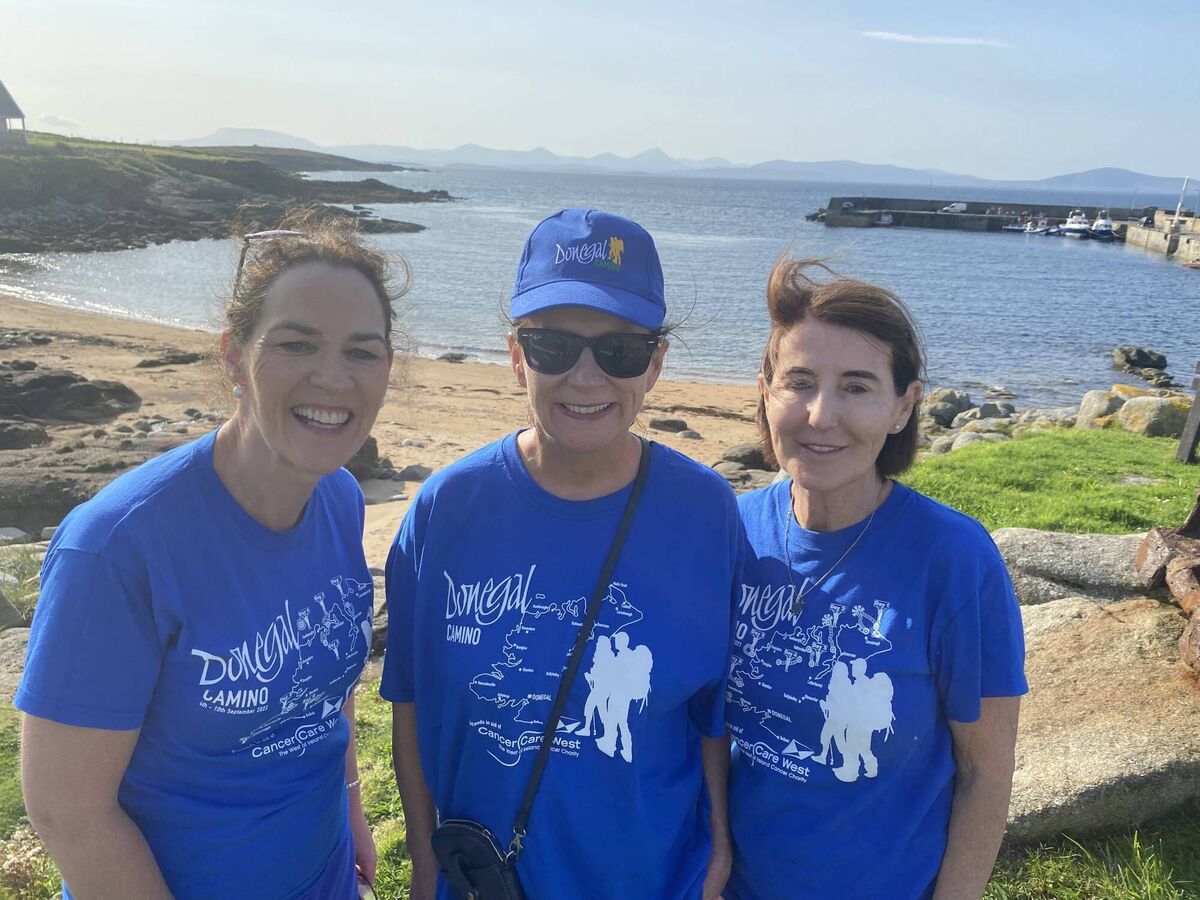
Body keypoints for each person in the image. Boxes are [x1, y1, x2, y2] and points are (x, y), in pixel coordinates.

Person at [15, 214, 402, 899]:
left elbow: (322, 689)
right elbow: (67, 812)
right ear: (234, 356)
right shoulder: (118, 547)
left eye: (362, 352)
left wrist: (352, 813)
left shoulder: (340, 497)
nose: (333, 377)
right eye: (297, 344)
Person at [381, 208, 740, 899]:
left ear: (655, 365)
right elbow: (409, 703)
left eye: (620, 351)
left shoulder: (706, 512)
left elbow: (713, 714)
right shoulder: (446, 508)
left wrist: (719, 850)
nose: (585, 377)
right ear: (516, 357)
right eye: (553, 347)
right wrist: (426, 869)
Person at [724, 258, 1027, 900]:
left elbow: (984, 773)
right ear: (765, 391)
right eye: (799, 382)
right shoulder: (730, 532)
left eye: (857, 387)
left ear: (903, 406)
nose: (820, 415)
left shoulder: (954, 559)